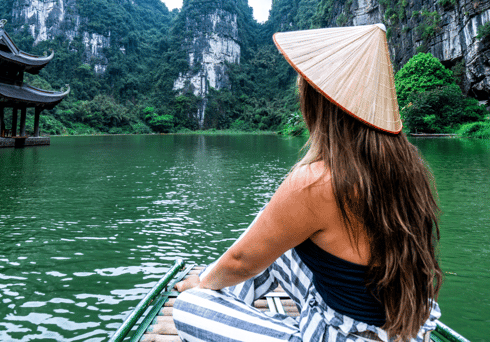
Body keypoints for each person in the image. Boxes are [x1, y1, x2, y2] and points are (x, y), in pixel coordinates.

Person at [172, 24, 442, 342]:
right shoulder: (411, 167)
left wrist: (201, 284)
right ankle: (231, 303)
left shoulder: (317, 182)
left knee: (190, 305)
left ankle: (225, 305)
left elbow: (240, 261)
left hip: (344, 336)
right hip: (409, 332)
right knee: (279, 248)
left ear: (317, 101)